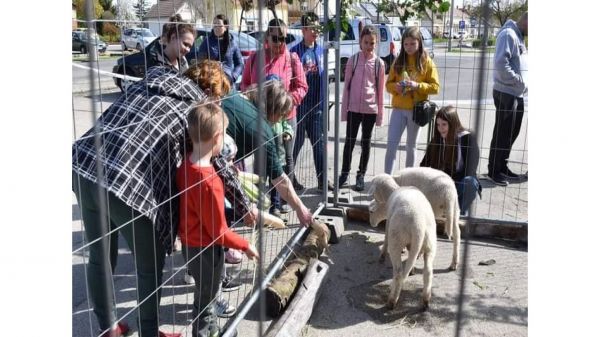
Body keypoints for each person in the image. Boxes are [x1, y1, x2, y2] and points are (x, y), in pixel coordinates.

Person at [72, 60, 253, 337]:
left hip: (84, 163)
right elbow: (217, 167)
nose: (218, 106)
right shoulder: (197, 113)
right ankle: (149, 333)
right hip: (127, 184)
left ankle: (109, 328)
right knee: (149, 267)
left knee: (100, 254)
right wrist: (245, 206)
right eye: (218, 100)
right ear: (211, 94)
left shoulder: (155, 76)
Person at [177, 101, 259, 337]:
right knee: (207, 300)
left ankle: (215, 331)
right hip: (207, 250)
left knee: (204, 296)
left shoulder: (185, 166)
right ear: (216, 138)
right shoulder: (209, 182)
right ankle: (205, 333)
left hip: (191, 245)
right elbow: (220, 232)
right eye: (224, 134)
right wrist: (246, 246)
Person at [223, 80, 314, 227]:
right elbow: (279, 179)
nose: (281, 120)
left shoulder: (234, 95)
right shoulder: (263, 131)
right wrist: (300, 208)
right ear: (274, 110)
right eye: (282, 115)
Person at [240, 18, 308, 202]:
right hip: (260, 119)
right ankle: (261, 200)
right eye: (276, 38)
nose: (280, 43)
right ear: (267, 38)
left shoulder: (291, 59)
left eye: (284, 39)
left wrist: (285, 103)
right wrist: (252, 93)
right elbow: (244, 84)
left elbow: (302, 86)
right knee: (261, 158)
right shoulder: (255, 58)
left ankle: (282, 200)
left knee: (285, 157)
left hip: (285, 117)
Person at [384, 26, 440, 175]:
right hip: (398, 109)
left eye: (412, 44)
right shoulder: (398, 61)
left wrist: (417, 86)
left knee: (411, 146)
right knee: (391, 145)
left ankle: (408, 178)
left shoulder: (426, 61)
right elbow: (387, 85)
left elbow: (435, 87)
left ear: (419, 43)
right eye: (406, 44)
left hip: (416, 111)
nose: (409, 47)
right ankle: (387, 179)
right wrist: (395, 87)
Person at [289, 12, 333, 191]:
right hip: (299, 107)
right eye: (312, 28)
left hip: (317, 107)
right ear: (303, 29)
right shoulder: (295, 52)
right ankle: (289, 179)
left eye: (318, 28)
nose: (316, 31)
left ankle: (323, 182)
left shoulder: (322, 50)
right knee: (294, 147)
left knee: (319, 145)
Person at [339, 25, 386, 191]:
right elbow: (346, 88)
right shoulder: (353, 60)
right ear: (360, 42)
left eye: (372, 43)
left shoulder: (379, 64)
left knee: (365, 143)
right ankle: (344, 173)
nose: (368, 46)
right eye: (366, 42)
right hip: (353, 109)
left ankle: (361, 175)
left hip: (370, 111)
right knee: (349, 142)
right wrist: (344, 111)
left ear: (376, 43)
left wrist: (379, 115)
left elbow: (380, 92)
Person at [487, 12, 528, 186]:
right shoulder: (508, 34)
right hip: (506, 92)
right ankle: (494, 171)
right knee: (503, 133)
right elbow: (500, 64)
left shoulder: (518, 36)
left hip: (515, 92)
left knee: (512, 131)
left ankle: (502, 167)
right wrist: (518, 81)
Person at [420, 106, 482, 215]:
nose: (440, 128)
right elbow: (423, 165)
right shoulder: (436, 140)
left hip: (459, 182)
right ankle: (439, 213)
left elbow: (470, 169)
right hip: (439, 185)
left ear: (453, 124)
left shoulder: (468, 139)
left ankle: (458, 214)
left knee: (470, 182)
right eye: (438, 125)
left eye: (444, 124)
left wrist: (450, 181)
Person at [193, 14, 244, 85]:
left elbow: (240, 64)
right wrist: (212, 65)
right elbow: (200, 63)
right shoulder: (206, 42)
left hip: (228, 81)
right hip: (211, 81)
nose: (216, 27)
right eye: (214, 24)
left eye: (219, 25)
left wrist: (234, 76)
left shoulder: (232, 43)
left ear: (226, 27)